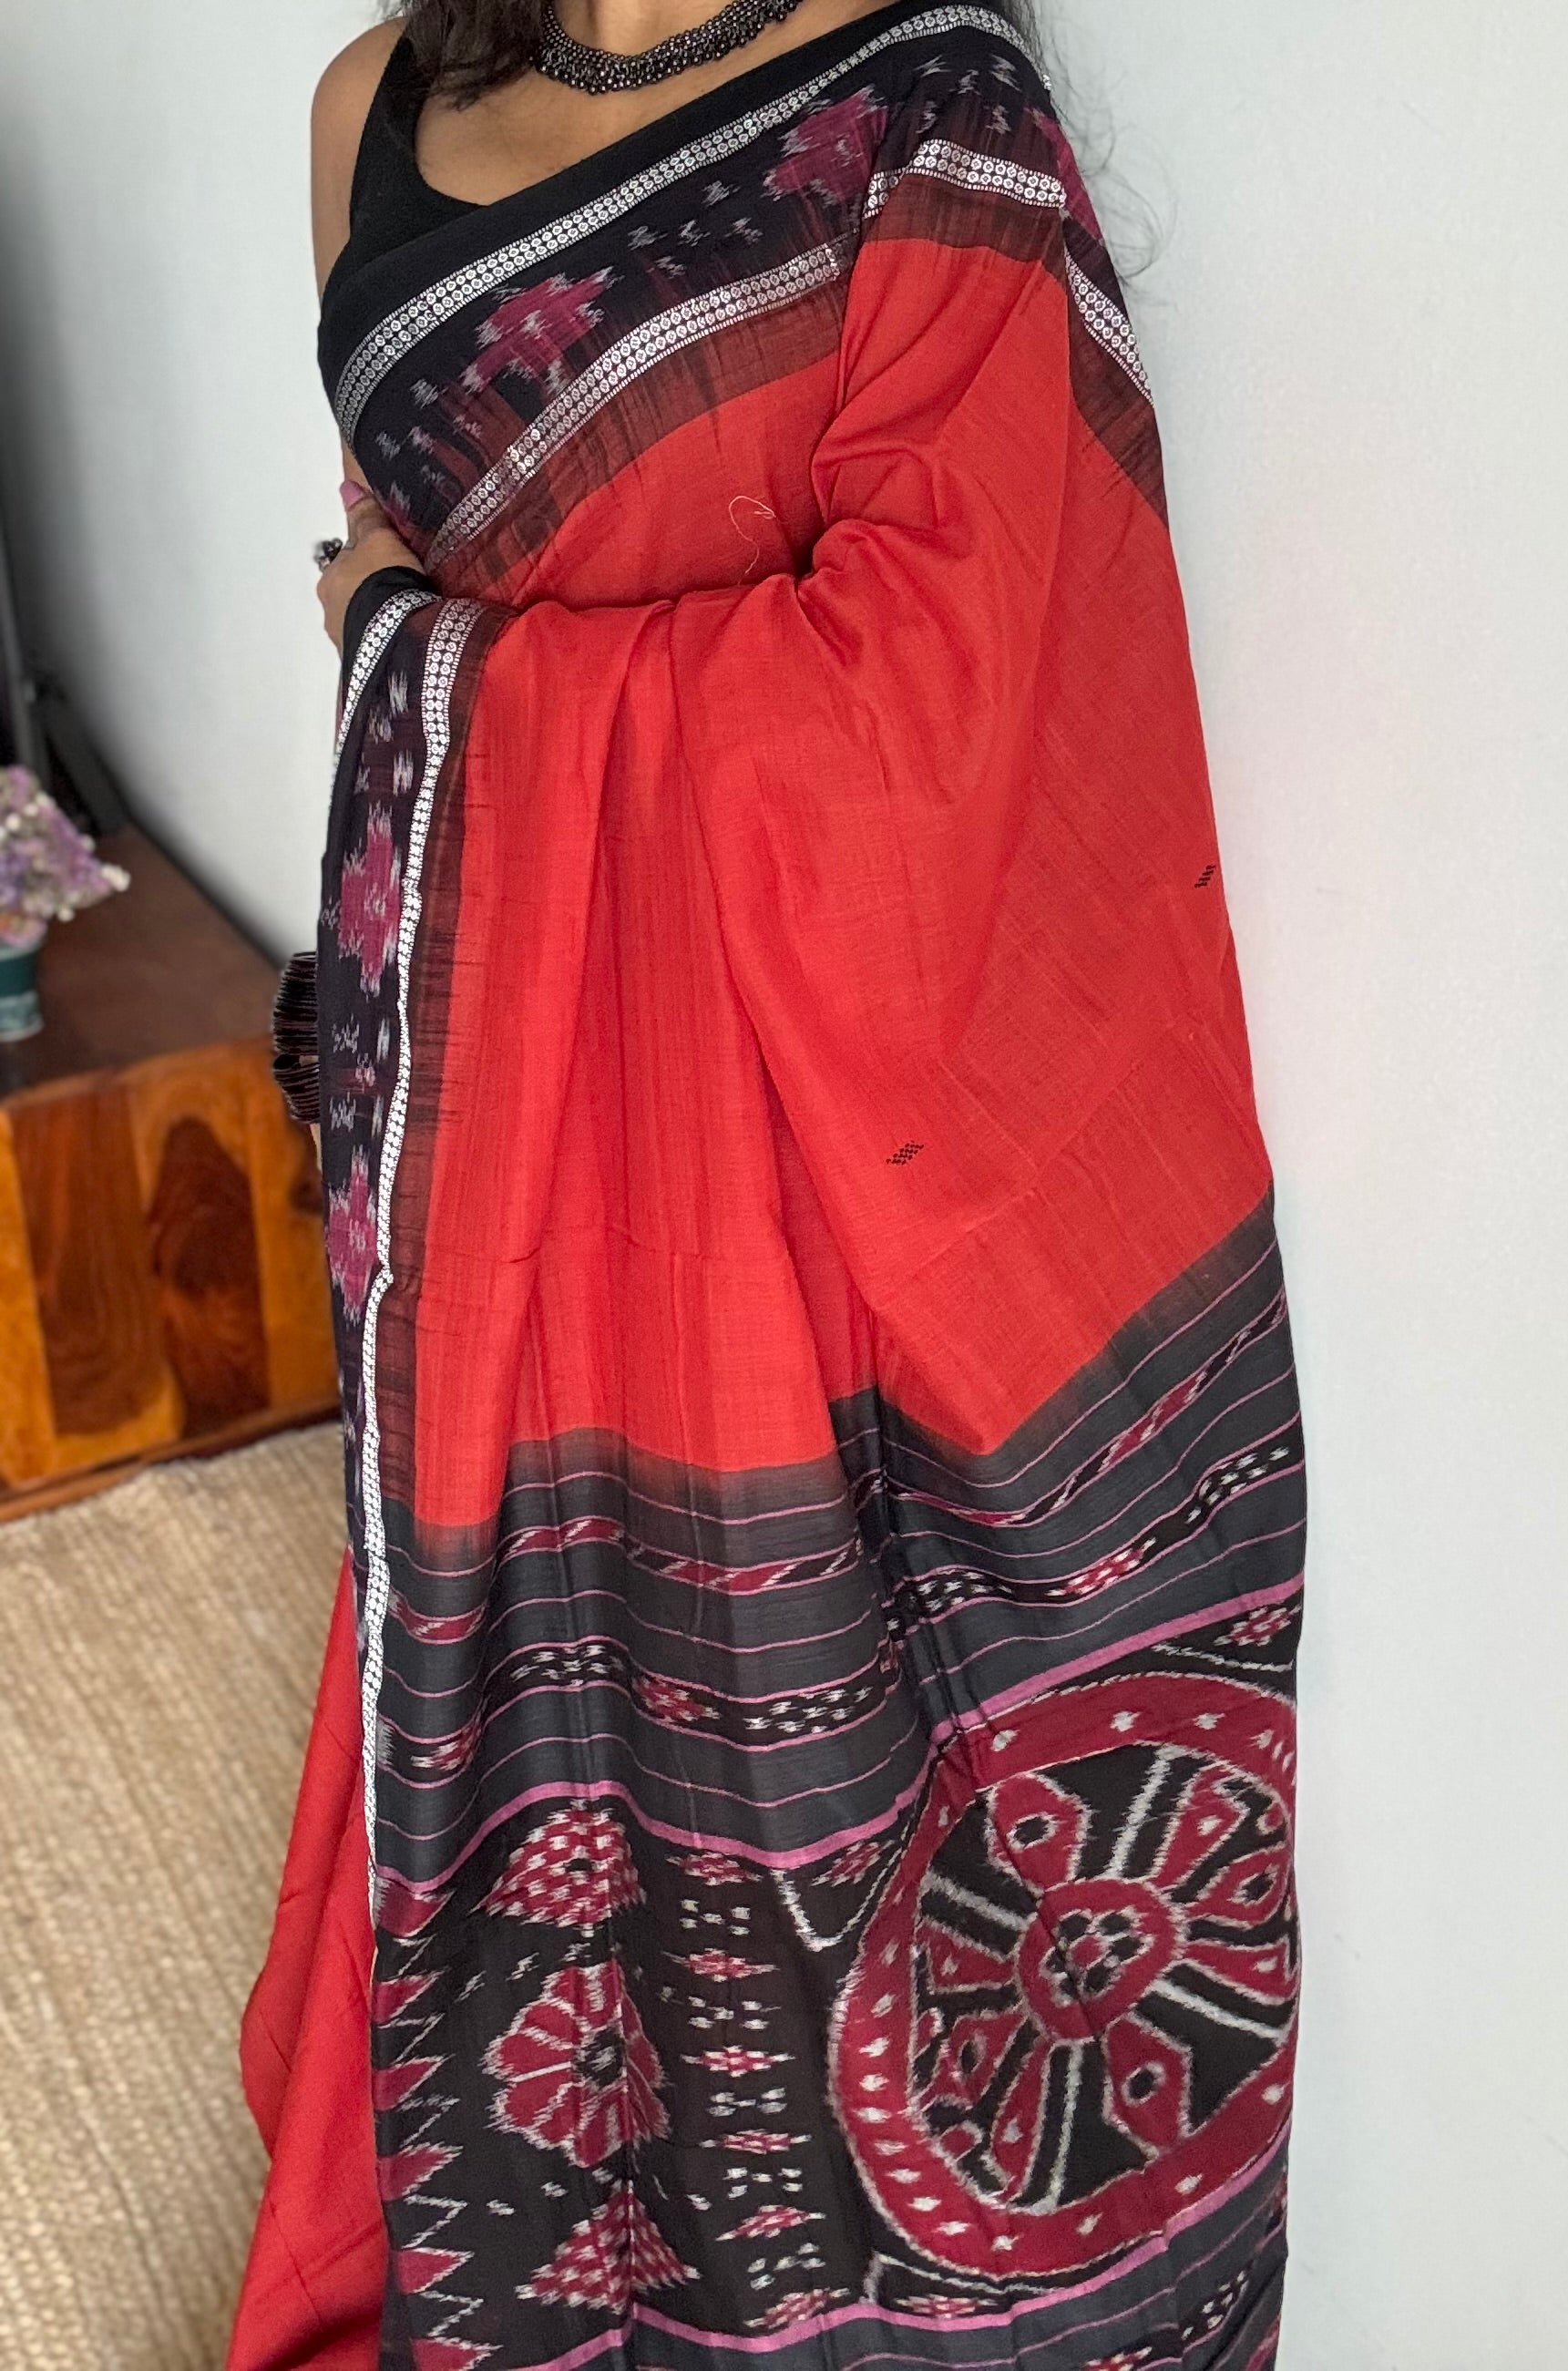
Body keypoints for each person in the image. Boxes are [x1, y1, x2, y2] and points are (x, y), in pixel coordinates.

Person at [231, 0, 1307, 2363]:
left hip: (870, 1247)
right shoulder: (368, 118)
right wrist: (427, 669)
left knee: (947, 1934)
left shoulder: (922, 115)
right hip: (521, 1214)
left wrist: (427, 663)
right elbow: (424, 630)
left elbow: (958, 715)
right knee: (547, 1929)